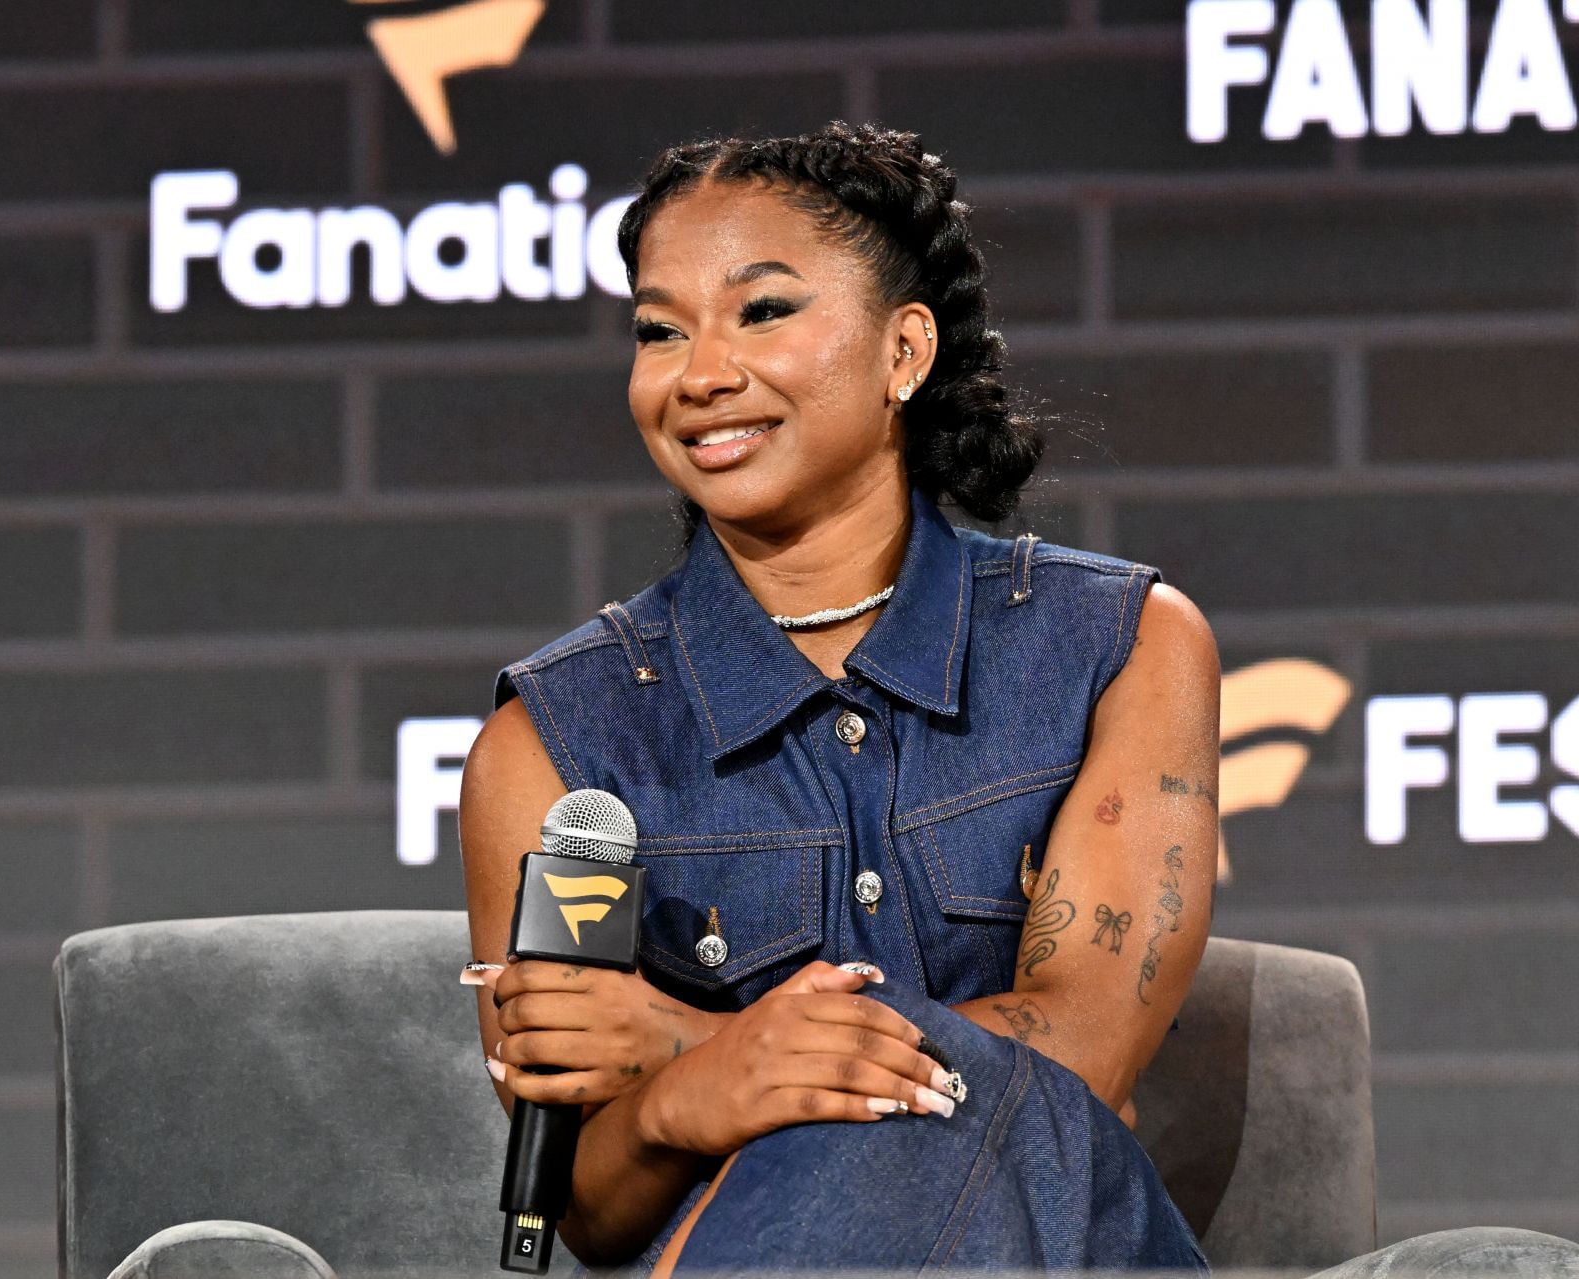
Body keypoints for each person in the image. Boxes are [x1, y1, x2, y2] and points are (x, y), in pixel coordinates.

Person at [459, 120, 1219, 1274]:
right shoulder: (553, 743)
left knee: (903, 1135)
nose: (702, 372)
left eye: (763, 311)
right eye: (660, 330)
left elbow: (1078, 1053)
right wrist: (678, 1103)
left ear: (904, 350)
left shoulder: (1120, 647)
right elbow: (590, 1213)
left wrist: (688, 1038)